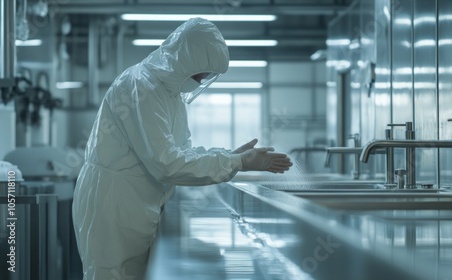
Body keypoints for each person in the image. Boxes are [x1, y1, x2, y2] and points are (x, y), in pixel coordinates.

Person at [72, 17, 292, 280]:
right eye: (200, 71)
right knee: (110, 275)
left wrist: (232, 156)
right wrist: (239, 163)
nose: (201, 79)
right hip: (113, 203)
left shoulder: (171, 95)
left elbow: (183, 152)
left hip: (138, 204)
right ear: (183, 58)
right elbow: (166, 164)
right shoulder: (141, 86)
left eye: (207, 75)